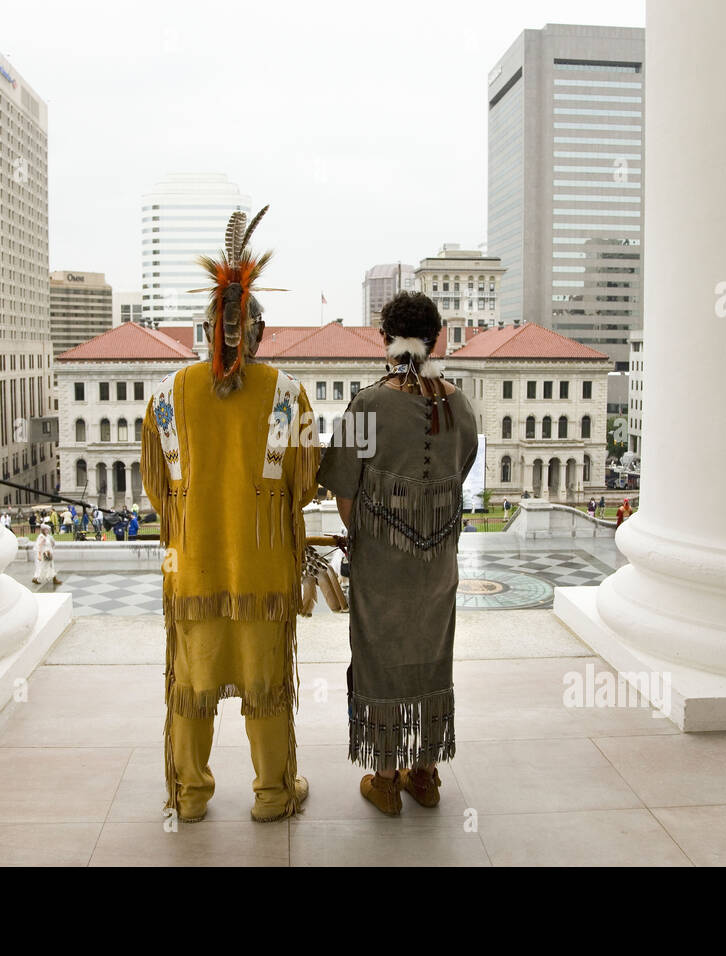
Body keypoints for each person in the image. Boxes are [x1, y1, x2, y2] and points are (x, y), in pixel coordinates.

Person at [141, 206, 317, 823]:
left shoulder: (166, 398)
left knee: (191, 690)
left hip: (191, 572)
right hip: (263, 573)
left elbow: (157, 489)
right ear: (259, 333)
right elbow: (304, 483)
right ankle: (271, 795)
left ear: (207, 327)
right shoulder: (290, 394)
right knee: (266, 689)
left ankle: (190, 797)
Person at [317, 290, 478, 816]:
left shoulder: (367, 405)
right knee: (433, 662)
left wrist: (377, 536)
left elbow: (344, 494)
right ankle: (426, 777)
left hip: (381, 570)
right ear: (438, 339)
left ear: (385, 342)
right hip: (439, 572)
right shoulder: (461, 404)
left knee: (379, 663)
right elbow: (460, 474)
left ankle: (385, 782)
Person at [32, 522, 61, 587]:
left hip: (48, 553)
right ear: (43, 530)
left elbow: (52, 544)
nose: (48, 531)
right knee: (44, 566)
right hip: (45, 554)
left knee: (49, 566)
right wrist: (39, 555)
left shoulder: (47, 536)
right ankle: (36, 578)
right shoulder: (42, 537)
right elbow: (39, 546)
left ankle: (53, 578)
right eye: (46, 529)